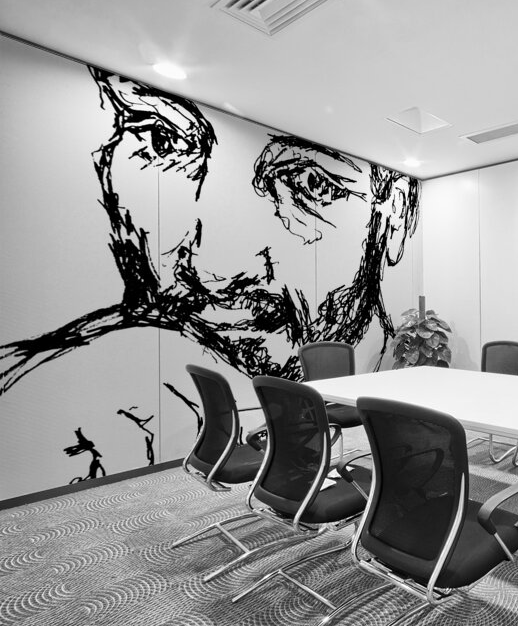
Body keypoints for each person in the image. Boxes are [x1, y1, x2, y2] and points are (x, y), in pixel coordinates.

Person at [0, 67, 420, 398]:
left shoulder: (396, 375)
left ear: (395, 216)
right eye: (162, 140)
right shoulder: (43, 380)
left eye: (313, 184)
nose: (209, 269)